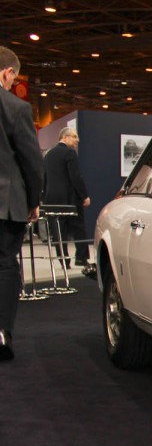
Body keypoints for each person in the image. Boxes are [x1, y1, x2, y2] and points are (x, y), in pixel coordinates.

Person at [0, 46, 43, 361]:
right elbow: (31, 161)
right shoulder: (15, 108)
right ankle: (1, 334)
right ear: (7, 74)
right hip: (6, 203)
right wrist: (34, 200)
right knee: (4, 265)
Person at [43, 126, 92, 272]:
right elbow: (75, 176)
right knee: (78, 228)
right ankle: (81, 258)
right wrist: (84, 195)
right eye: (74, 136)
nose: (77, 140)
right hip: (70, 199)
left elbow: (44, 178)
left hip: (51, 198)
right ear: (64, 137)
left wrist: (43, 197)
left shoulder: (48, 154)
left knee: (58, 230)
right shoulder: (70, 153)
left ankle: (63, 260)